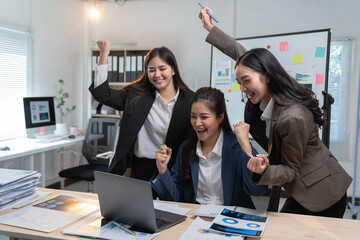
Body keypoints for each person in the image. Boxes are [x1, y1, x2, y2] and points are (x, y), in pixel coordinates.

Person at [199, 6, 352, 218]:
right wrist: (210, 28)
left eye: (246, 82)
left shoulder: (293, 117)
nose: (243, 89)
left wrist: (255, 160)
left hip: (322, 192)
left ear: (267, 75)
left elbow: (291, 171)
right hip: (302, 185)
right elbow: (243, 55)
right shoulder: (266, 86)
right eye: (239, 82)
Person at [89, 39, 194, 181]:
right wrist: (104, 54)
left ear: (173, 70)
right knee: (138, 204)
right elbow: (101, 93)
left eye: (162, 69)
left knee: (169, 204)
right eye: (151, 70)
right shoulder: (136, 96)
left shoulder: (189, 100)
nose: (157, 75)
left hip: (174, 168)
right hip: (141, 168)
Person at [151, 87, 267, 208]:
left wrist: (245, 145)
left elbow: (257, 191)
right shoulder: (186, 148)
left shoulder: (238, 146)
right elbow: (175, 199)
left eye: (204, 117)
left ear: (220, 118)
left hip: (232, 220)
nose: (197, 123)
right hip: (195, 219)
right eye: (193, 116)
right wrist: (163, 170)